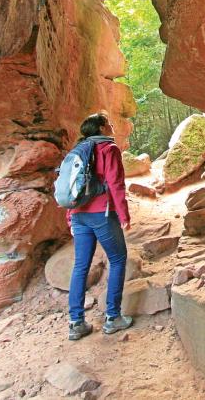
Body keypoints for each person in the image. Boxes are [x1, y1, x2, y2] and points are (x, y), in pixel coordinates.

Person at [66, 112, 133, 340]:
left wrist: (69, 215)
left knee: (80, 266)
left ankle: (76, 322)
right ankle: (113, 317)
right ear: (102, 128)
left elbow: (71, 185)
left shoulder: (78, 150)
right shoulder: (108, 149)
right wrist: (123, 214)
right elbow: (115, 184)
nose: (112, 126)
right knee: (118, 259)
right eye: (109, 123)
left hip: (78, 214)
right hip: (102, 213)